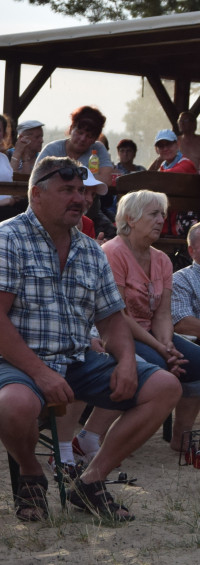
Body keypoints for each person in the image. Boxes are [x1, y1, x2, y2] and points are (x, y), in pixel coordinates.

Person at [0, 156, 180, 523]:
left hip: (77, 358)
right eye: (68, 190)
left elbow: (113, 320)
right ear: (36, 194)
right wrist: (41, 373)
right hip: (11, 360)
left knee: (164, 386)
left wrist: (128, 362)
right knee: (16, 404)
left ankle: (91, 480)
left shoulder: (88, 250)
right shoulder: (5, 238)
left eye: (82, 191)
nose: (80, 199)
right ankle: (31, 471)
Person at [97, 190, 200, 452]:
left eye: (162, 215)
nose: (161, 220)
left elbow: (163, 313)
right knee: (156, 368)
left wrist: (167, 344)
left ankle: (181, 438)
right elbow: (119, 315)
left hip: (152, 333)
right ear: (130, 218)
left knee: (196, 362)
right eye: (154, 214)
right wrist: (161, 349)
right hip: (113, 332)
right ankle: (107, 441)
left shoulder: (162, 259)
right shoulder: (113, 252)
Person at [37, 106, 116, 238]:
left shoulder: (98, 149)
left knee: (112, 236)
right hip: (54, 213)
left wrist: (65, 178)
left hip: (91, 213)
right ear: (71, 128)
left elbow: (106, 179)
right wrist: (90, 177)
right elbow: (38, 180)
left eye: (90, 136)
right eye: (79, 132)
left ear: (95, 138)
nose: (83, 138)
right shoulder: (52, 150)